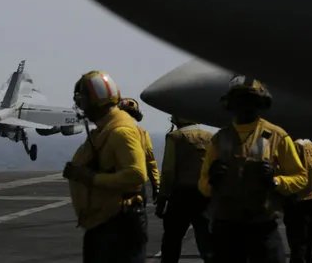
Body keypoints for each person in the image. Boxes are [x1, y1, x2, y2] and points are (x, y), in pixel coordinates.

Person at [199, 75, 308, 263]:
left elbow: (300, 177)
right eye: (239, 99)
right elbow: (202, 184)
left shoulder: (277, 136)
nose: (243, 105)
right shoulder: (219, 139)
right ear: (230, 104)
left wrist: (275, 181)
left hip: (262, 227)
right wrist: (212, 181)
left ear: (259, 103)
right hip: (226, 227)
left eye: (249, 99)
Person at [63, 70, 149, 263]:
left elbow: (136, 174)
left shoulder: (120, 131)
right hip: (105, 222)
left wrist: (89, 177)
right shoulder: (106, 128)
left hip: (117, 226)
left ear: (95, 100)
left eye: (83, 100)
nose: (81, 106)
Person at [154, 115, 214, 263]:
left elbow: (168, 171)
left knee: (171, 242)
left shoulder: (175, 137)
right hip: (205, 196)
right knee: (207, 243)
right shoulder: (210, 136)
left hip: (181, 196)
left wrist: (162, 199)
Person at [283, 139, 312, 263]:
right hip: (311, 195)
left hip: (297, 198)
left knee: (297, 243)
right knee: (308, 241)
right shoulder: (310, 144)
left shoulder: (293, 145)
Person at [118, 97, 161, 202]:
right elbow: (150, 161)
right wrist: (156, 185)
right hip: (137, 188)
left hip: (114, 188)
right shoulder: (142, 133)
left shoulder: (109, 132)